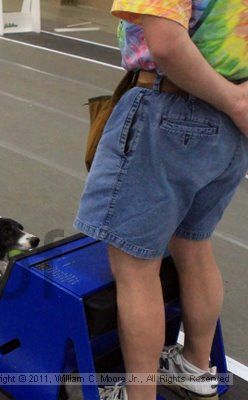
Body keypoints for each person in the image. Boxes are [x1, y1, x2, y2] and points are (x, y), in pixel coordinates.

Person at [74, 1, 248, 399]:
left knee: (135, 266)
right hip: (230, 130)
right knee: (193, 242)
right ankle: (195, 367)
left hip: (170, 109)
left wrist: (235, 101)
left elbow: (166, 44)